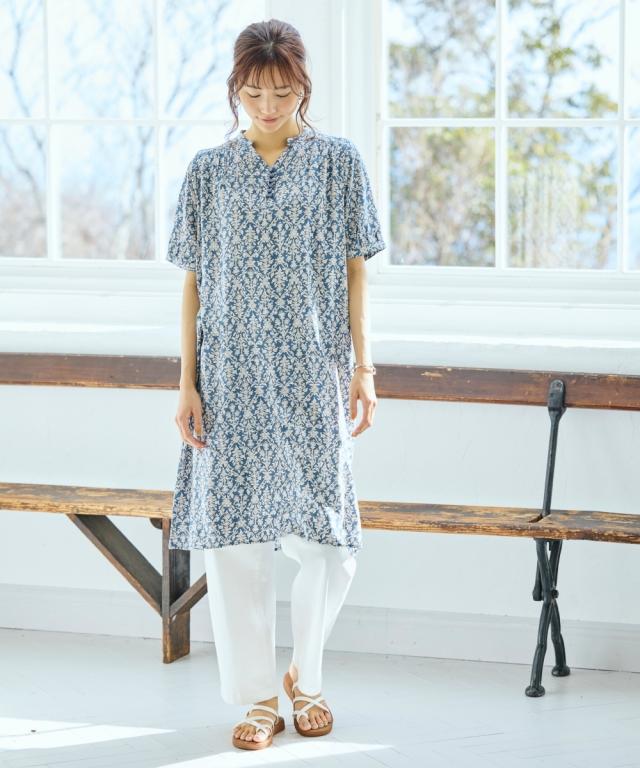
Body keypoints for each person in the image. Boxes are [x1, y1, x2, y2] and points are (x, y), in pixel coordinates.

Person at [166, 18, 386, 751]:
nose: (267, 106)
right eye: (254, 93)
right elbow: (193, 282)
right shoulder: (207, 171)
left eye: (282, 92)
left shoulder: (338, 163)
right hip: (227, 374)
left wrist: (363, 367)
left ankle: (306, 677)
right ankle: (260, 698)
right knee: (234, 545)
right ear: (236, 89)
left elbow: (356, 271)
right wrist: (187, 382)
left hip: (310, 373)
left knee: (329, 541)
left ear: (304, 88)